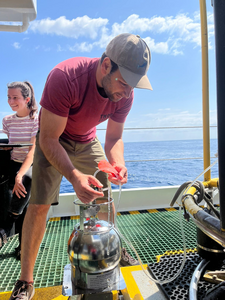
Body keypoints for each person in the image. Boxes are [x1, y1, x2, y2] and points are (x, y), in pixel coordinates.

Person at [9, 33, 152, 300]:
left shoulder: (125, 95)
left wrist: (117, 164)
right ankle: (25, 281)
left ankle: (114, 250)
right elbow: (49, 139)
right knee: (39, 205)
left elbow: (113, 138)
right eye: (125, 82)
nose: (127, 93)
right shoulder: (65, 77)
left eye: (134, 86)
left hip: (87, 140)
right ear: (106, 65)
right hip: (53, 139)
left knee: (105, 197)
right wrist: (74, 177)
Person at [0, 81, 38, 260]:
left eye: (15, 97)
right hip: (14, 162)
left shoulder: (36, 118)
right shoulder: (7, 121)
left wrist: (19, 175)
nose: (10, 101)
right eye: (8, 97)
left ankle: (7, 227)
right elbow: (12, 144)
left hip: (32, 165)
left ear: (27, 99)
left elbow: (32, 151)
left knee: (25, 181)